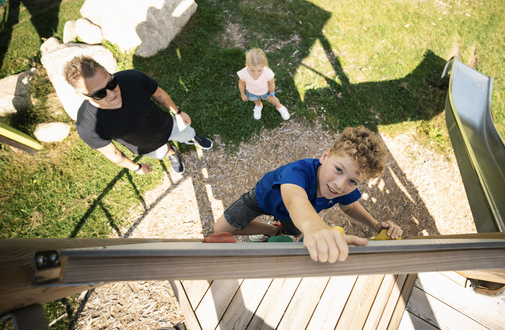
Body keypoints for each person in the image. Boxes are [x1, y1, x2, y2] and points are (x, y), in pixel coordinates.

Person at [213, 126, 402, 263]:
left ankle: (275, 230)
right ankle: (271, 230)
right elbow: (295, 199)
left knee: (292, 230)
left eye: (353, 181)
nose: (339, 185)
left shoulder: (343, 188)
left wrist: (376, 224)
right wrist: (315, 226)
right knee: (219, 230)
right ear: (325, 156)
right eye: (338, 169)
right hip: (264, 199)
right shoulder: (298, 172)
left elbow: (350, 206)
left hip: (298, 218)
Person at [63, 55, 213, 175]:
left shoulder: (133, 78)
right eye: (99, 93)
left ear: (109, 73)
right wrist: (137, 167)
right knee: (163, 151)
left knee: (187, 132)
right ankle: (172, 152)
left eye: (111, 83)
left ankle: (192, 138)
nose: (111, 93)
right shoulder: (87, 125)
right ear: (82, 95)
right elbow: (114, 154)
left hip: (167, 124)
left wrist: (178, 112)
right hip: (146, 146)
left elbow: (159, 95)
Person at [238, 48, 290, 120]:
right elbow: (241, 84)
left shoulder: (267, 73)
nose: (256, 73)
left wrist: (271, 94)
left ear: (264, 66)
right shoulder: (243, 73)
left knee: (273, 100)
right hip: (252, 92)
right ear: (247, 65)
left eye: (259, 70)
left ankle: (280, 106)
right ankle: (258, 105)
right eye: (252, 70)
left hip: (266, 92)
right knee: (256, 99)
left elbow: (272, 84)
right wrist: (242, 94)